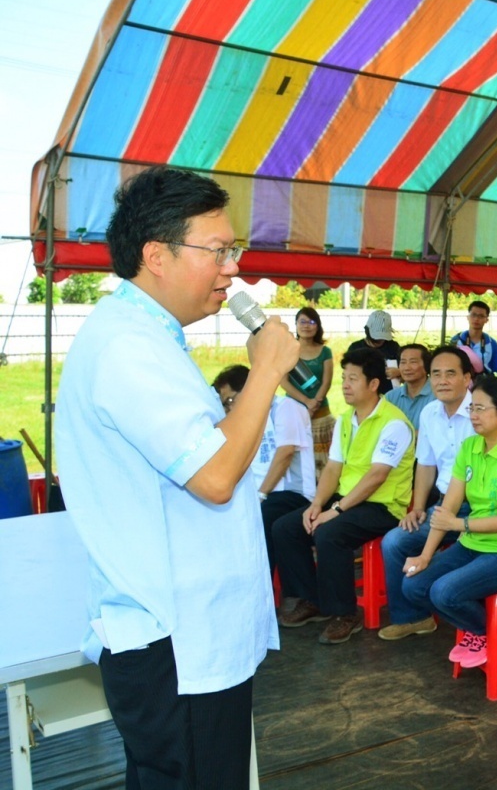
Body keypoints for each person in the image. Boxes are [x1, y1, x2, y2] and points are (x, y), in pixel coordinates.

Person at [57, 167, 296, 788]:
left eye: (233, 250)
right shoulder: (128, 348)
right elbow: (215, 476)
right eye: (218, 251)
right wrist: (266, 371)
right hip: (175, 643)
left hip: (185, 635)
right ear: (156, 256)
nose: (231, 270)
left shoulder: (147, 337)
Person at [395, 377, 497, 668]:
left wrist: (458, 525)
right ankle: (485, 631)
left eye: (480, 409)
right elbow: (448, 506)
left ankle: (489, 631)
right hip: (474, 543)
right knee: (414, 586)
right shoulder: (470, 447)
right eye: (471, 407)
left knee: (444, 591)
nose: (473, 415)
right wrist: (425, 556)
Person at [274, 348, 416, 644]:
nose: (345, 385)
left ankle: (345, 614)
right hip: (347, 498)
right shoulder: (346, 418)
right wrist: (316, 504)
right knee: (287, 527)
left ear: (374, 384)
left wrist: (334, 511)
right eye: (344, 378)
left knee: (329, 533)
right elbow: (333, 468)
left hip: (383, 506)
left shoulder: (394, 423)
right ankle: (310, 599)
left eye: (353, 379)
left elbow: (377, 476)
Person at [378, 347, 476, 641]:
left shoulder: (481, 413)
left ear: (467, 378)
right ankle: (414, 618)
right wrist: (418, 507)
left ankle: (476, 625)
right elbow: (426, 464)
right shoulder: (429, 412)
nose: (442, 380)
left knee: (466, 556)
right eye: (436, 373)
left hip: (481, 508)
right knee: (395, 541)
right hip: (443, 504)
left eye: (451, 373)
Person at [214, 365, 316, 574]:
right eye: (225, 405)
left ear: (249, 389)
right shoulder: (244, 422)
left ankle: (261, 586)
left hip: (291, 495)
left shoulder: (284, 407)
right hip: (263, 497)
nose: (229, 409)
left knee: (261, 518)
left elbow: (285, 454)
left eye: (231, 401)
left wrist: (261, 495)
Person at [281, 306, 334, 474]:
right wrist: (306, 403)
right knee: (294, 454)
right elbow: (283, 382)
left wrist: (314, 404)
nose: (306, 326)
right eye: (302, 322)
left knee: (323, 458)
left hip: (320, 413)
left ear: (317, 326)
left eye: (311, 322)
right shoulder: (288, 350)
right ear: (296, 325)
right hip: (293, 411)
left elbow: (327, 381)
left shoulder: (325, 352)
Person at [449, 299, 497, 377]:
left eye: (481, 316)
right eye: (473, 315)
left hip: (484, 384)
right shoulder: (456, 341)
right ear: (468, 317)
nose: (476, 319)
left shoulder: (491, 343)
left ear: (486, 320)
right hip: (461, 383)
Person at [348, 309, 403, 386]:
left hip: (389, 394)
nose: (379, 340)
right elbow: (349, 373)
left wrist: (399, 372)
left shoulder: (393, 347)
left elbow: (407, 371)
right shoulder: (355, 348)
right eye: (375, 338)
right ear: (367, 331)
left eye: (383, 337)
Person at [384, 343, 434, 428]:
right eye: (403, 362)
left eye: (413, 362)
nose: (407, 368)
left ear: (427, 366)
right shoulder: (390, 397)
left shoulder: (438, 395)